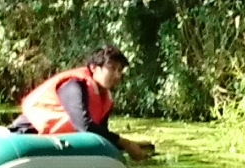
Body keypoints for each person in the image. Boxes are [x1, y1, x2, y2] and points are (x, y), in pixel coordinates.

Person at [12, 47, 149, 160]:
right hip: (25, 136)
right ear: (94, 68)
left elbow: (101, 135)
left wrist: (131, 146)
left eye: (120, 70)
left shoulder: (105, 97)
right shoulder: (73, 86)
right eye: (112, 68)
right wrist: (125, 143)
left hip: (53, 145)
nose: (117, 75)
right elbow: (83, 126)